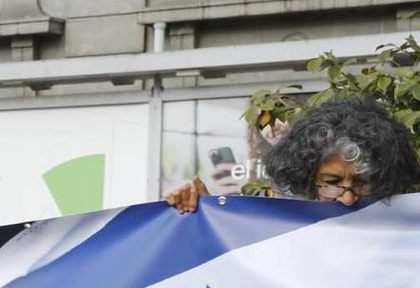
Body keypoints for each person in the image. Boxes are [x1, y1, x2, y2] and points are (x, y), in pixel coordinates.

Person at [167, 95, 420, 211]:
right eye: (331, 183)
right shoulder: (283, 236)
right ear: (307, 179)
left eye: (362, 183)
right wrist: (205, 218)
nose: (347, 199)